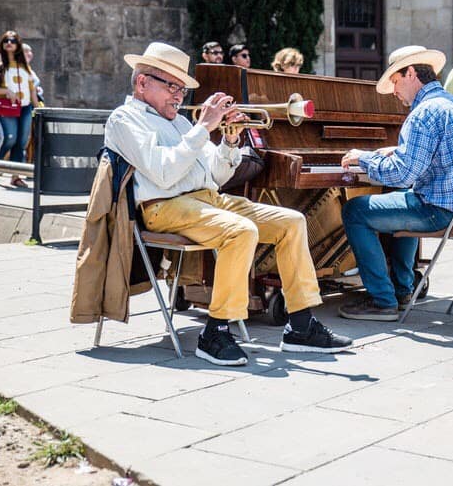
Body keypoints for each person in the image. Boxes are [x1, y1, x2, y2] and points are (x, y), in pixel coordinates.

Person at [105, 42, 352, 365]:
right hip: (163, 206)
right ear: (142, 83)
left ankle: (301, 326)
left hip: (208, 199)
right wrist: (203, 128)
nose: (179, 96)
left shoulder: (180, 122)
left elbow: (217, 176)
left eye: (182, 88)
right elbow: (164, 173)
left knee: (292, 222)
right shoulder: (125, 120)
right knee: (241, 231)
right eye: (172, 87)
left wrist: (230, 141)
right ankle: (215, 332)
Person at [338, 45, 453, 321]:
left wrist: (362, 157)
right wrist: (396, 151)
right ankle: (402, 290)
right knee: (406, 194)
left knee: (355, 211)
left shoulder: (424, 112)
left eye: (396, 81)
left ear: (411, 73)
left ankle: (382, 301)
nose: (395, 91)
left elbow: (402, 174)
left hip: (444, 211)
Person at [0, 31, 39, 188]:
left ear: (18, 44)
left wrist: (39, 108)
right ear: (2, 43)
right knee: (8, 138)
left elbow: (32, 88)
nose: (9, 43)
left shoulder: (24, 65)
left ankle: (15, 176)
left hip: (25, 107)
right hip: (5, 106)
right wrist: (6, 92)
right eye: (6, 40)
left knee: (21, 142)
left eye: (13, 40)